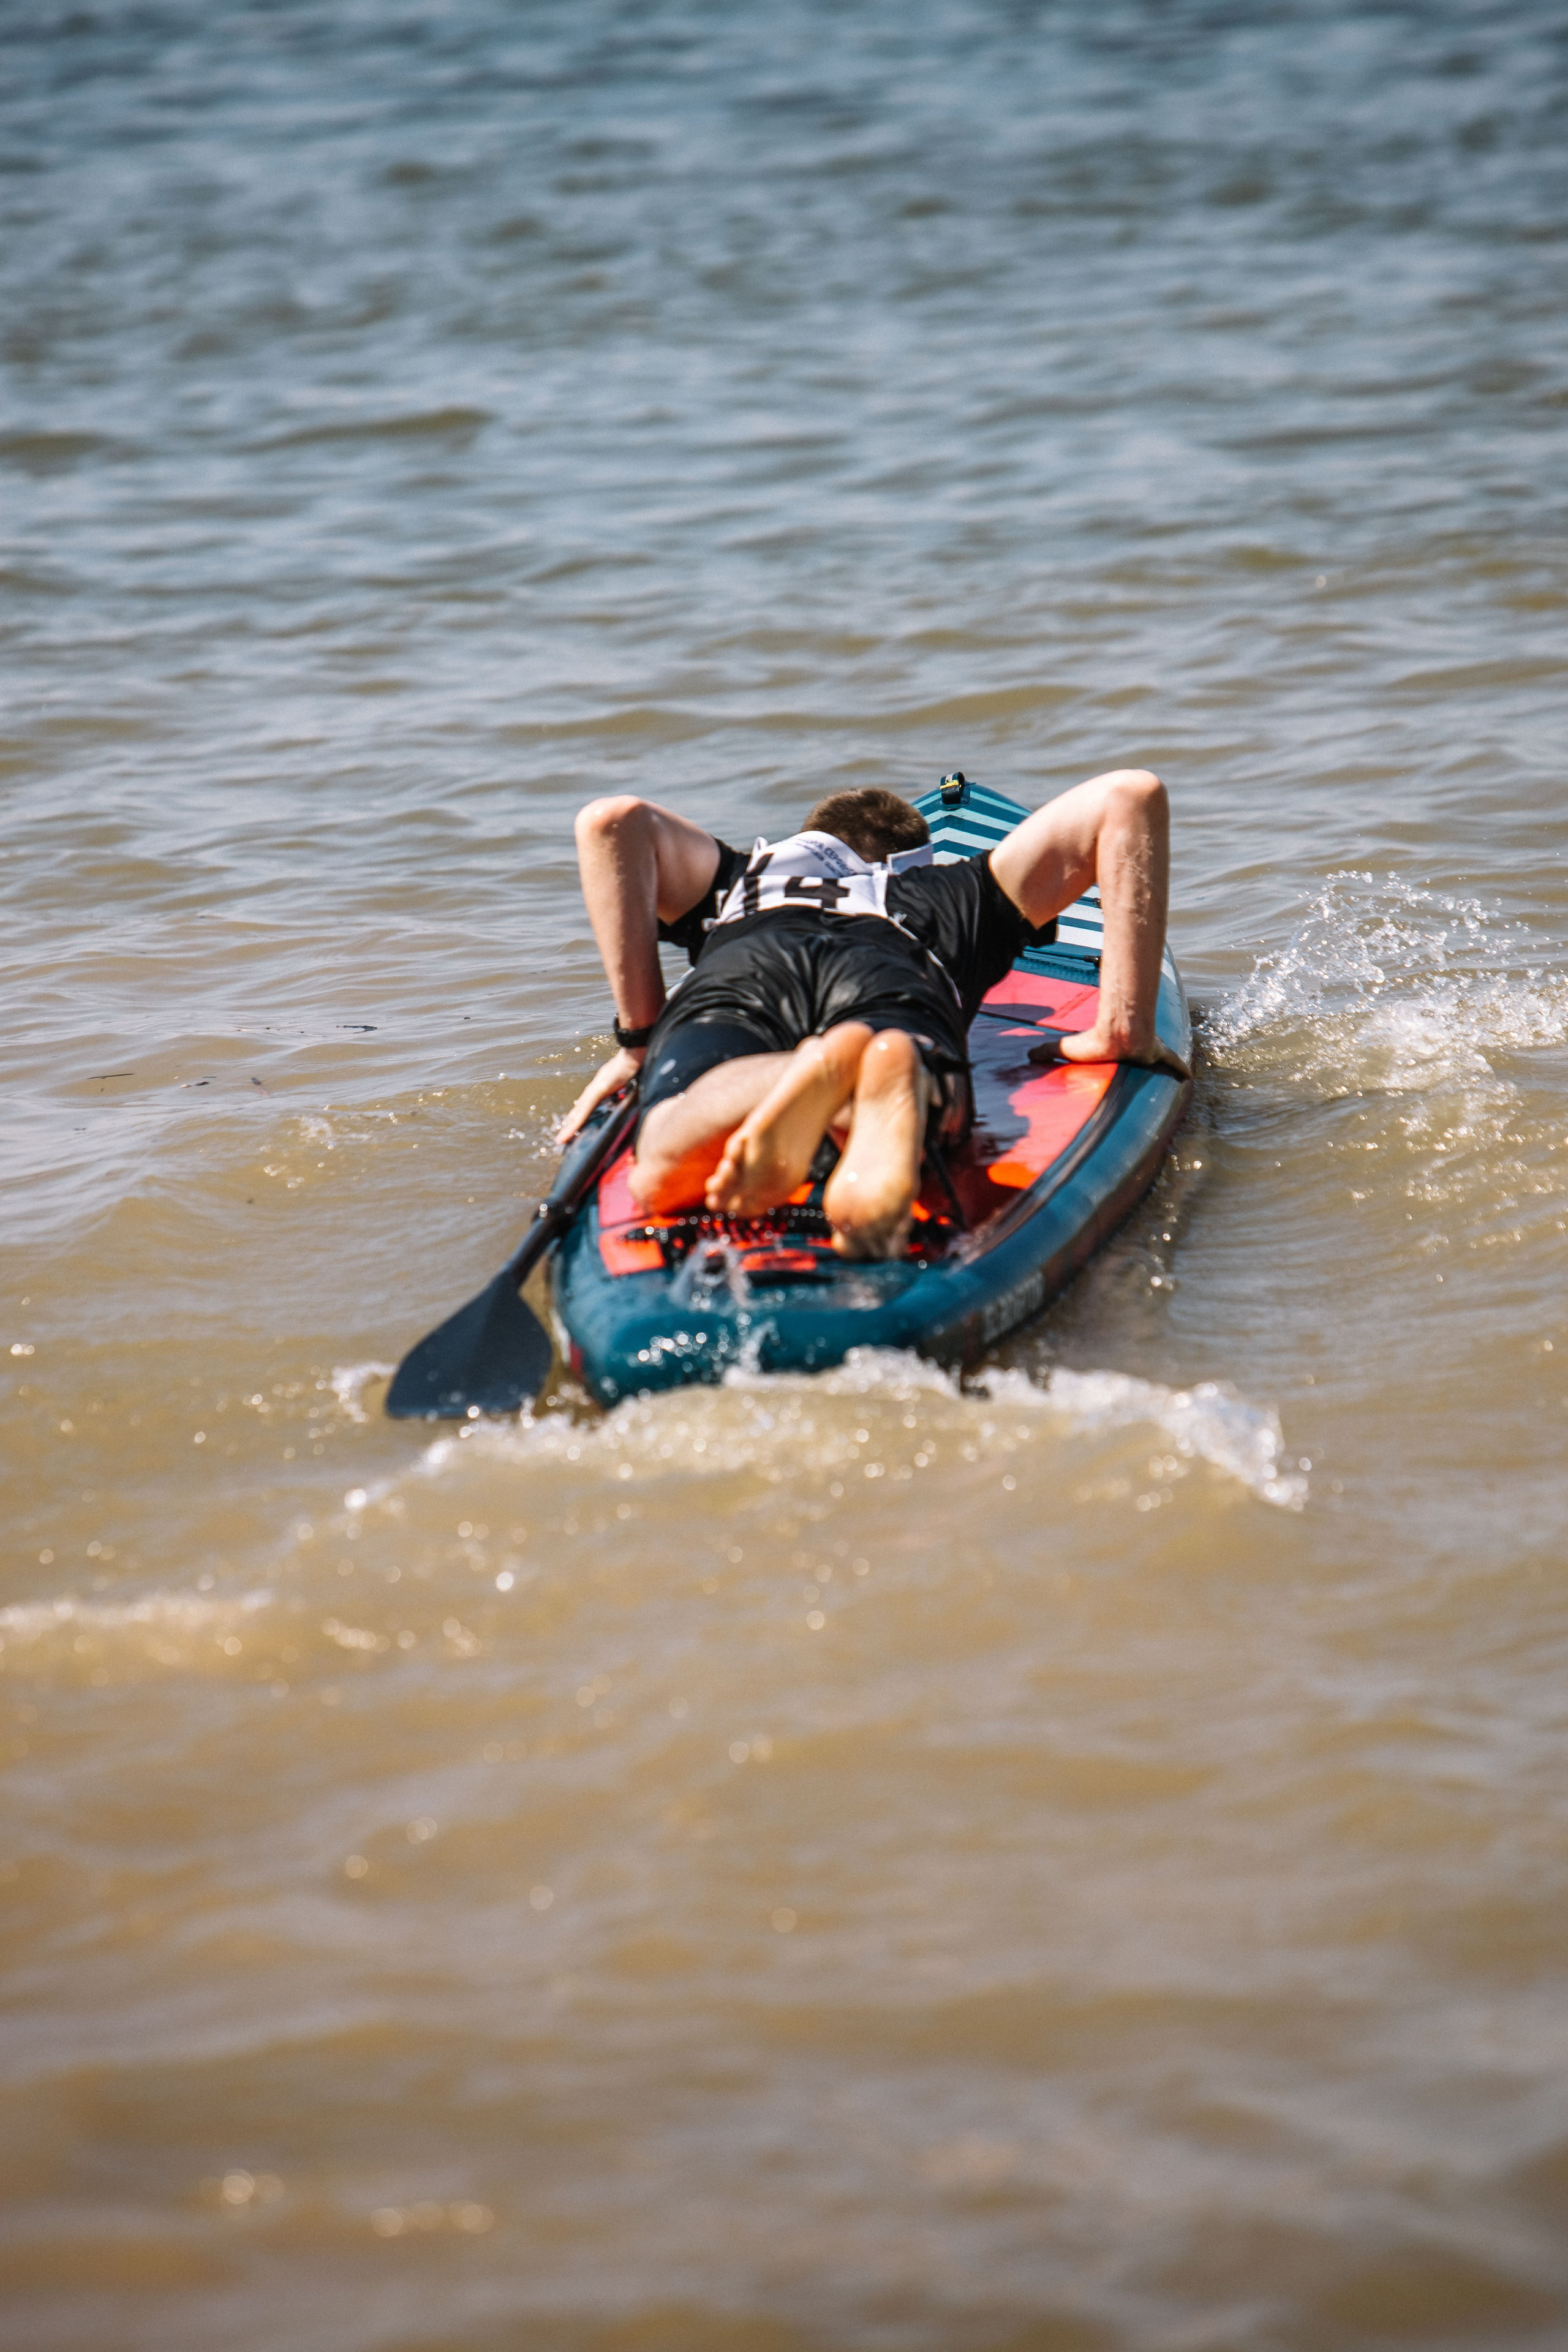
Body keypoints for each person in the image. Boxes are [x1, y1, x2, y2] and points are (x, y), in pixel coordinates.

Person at [556, 767, 1185, 1260]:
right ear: (916, 860)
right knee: (907, 1131)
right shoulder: (954, 891)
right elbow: (1130, 796)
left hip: (743, 966)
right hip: (892, 973)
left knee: (660, 1170)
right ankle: (875, 1080)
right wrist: (1122, 1030)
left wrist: (638, 1040)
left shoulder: (741, 878)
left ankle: (800, 1072)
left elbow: (610, 821)